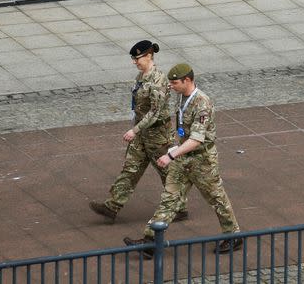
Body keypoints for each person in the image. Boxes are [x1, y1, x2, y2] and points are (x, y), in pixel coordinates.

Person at [124, 63, 241, 258]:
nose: (171, 85)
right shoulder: (182, 97)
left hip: (202, 161)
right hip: (183, 157)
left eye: (175, 82)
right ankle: (151, 240)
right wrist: (176, 150)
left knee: (216, 198)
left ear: (187, 80)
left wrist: (171, 154)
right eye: (170, 82)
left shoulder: (202, 103)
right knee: (169, 198)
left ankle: (233, 235)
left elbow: (196, 139)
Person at [89, 41, 189, 223]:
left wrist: (134, 130)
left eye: (137, 58)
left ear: (149, 56)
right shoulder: (141, 77)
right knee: (130, 169)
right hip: (143, 133)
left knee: (166, 171)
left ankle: (179, 207)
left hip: (158, 135)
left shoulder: (158, 80)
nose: (134, 62)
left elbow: (156, 112)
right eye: (133, 59)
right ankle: (112, 206)